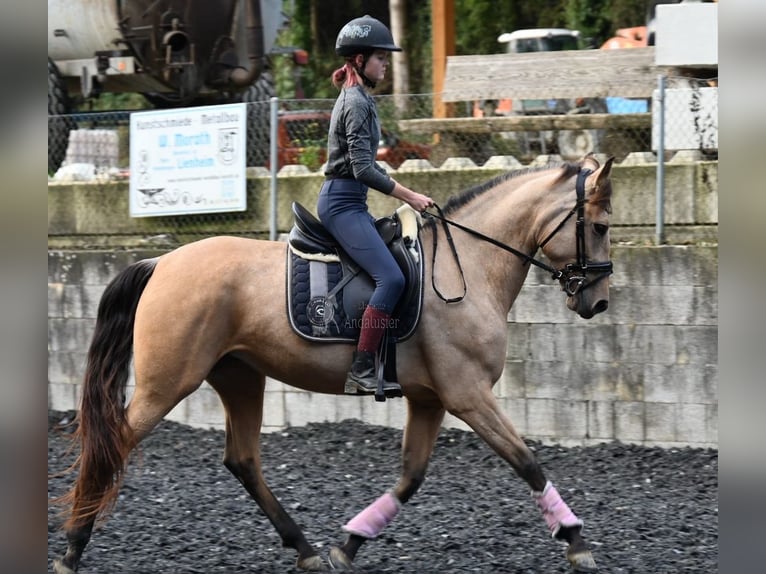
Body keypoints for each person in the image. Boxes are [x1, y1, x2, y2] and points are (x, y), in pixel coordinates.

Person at [318, 15, 433, 396]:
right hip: (341, 205)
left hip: (352, 202)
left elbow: (367, 162)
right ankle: (362, 368)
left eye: (386, 58)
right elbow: (362, 168)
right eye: (381, 58)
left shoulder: (361, 99)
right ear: (359, 60)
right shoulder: (355, 102)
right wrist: (411, 196)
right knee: (392, 278)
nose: (385, 64)